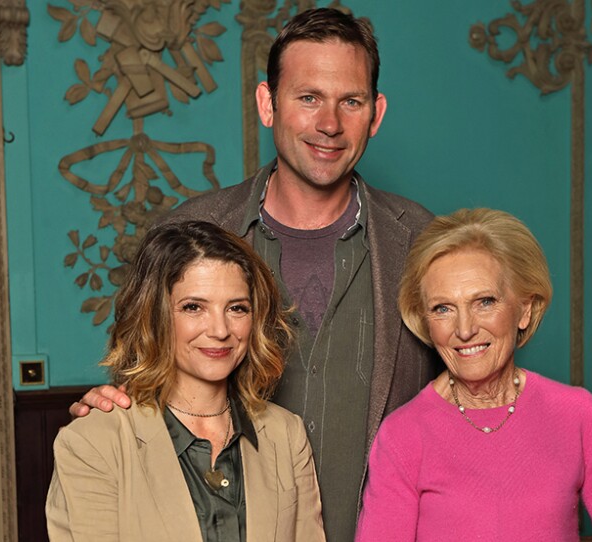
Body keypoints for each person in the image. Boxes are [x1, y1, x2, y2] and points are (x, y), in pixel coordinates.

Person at [68, 8, 441, 540]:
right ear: (268, 104)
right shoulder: (188, 232)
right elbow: (139, 382)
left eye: (350, 101)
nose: (329, 123)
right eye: (308, 97)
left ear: (375, 113)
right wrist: (108, 402)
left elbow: (465, 395)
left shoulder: (423, 242)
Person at [355, 208, 592, 541]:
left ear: (524, 310)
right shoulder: (403, 435)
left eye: (484, 301)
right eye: (443, 308)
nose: (465, 329)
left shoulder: (578, 416)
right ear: (426, 321)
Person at [46, 221, 325, 541]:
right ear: (154, 315)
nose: (220, 330)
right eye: (194, 307)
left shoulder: (286, 434)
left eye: (237, 308)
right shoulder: (93, 442)